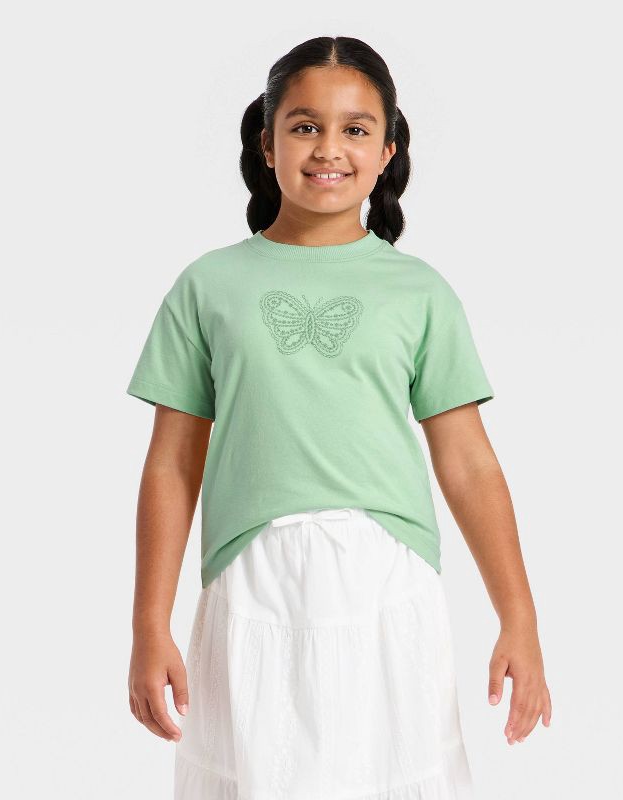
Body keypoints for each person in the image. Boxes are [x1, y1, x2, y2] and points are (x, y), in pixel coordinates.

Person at [126, 35, 551, 800]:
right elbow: (172, 463)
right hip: (251, 582)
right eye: (304, 126)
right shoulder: (208, 286)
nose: (328, 148)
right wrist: (148, 625)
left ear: (387, 150)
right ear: (267, 145)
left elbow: (468, 463)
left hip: (386, 581)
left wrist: (518, 617)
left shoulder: (420, 293)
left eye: (355, 128)